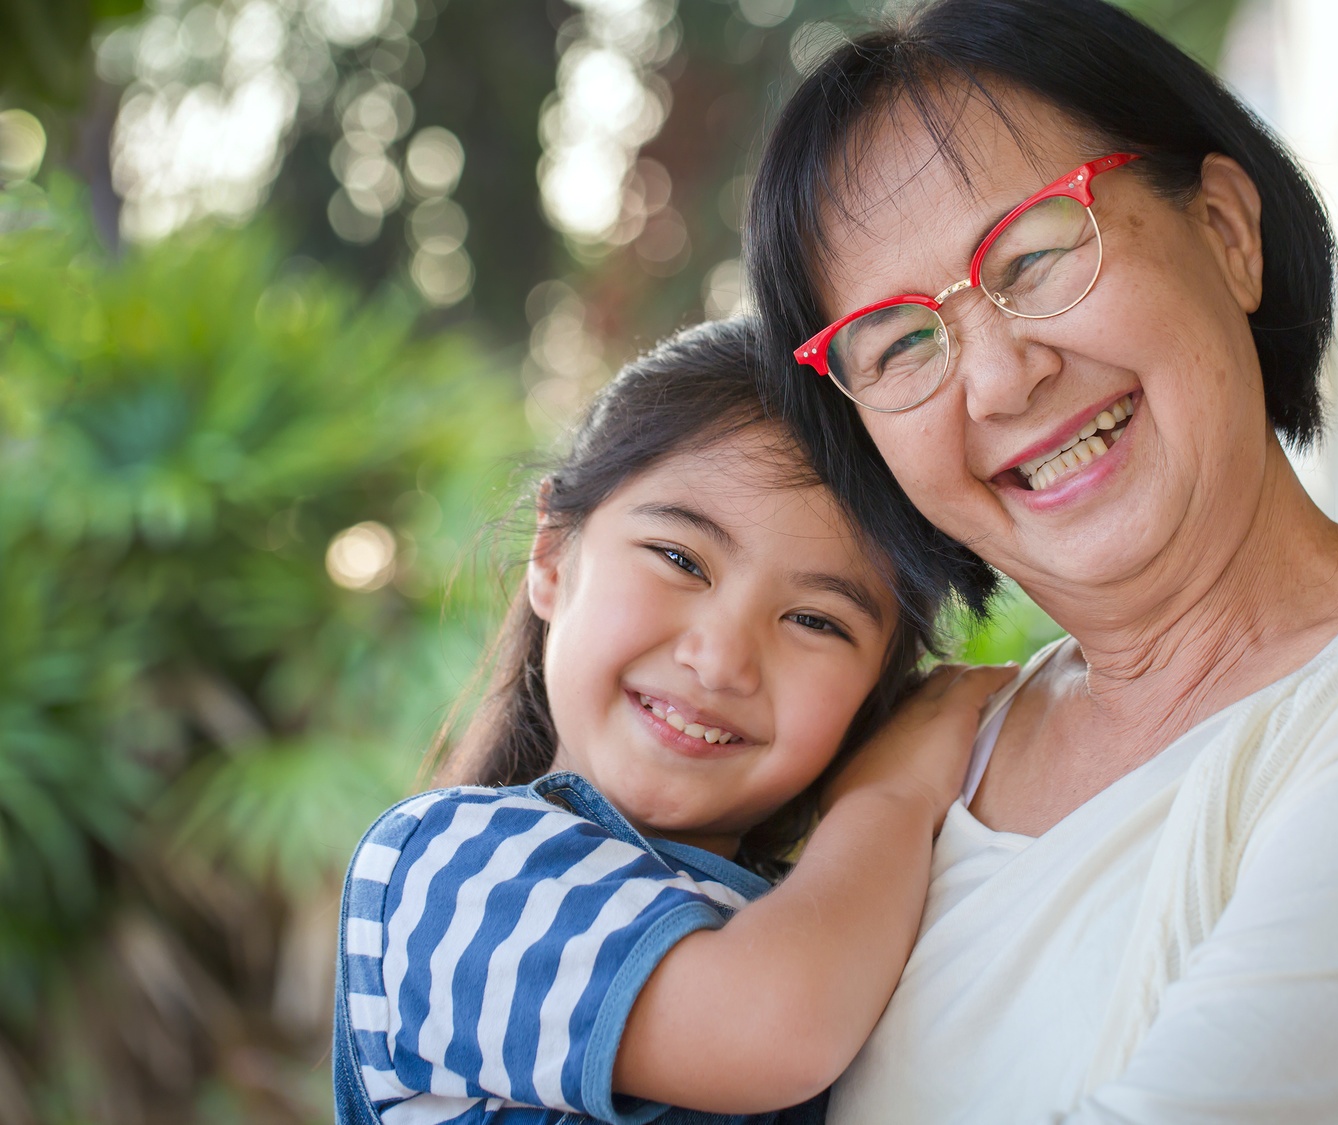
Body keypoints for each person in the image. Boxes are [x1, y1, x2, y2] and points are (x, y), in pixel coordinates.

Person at [740, 0, 1338, 1121]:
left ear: (1227, 235)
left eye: (1036, 254)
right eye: (899, 342)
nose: (998, 379)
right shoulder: (912, 771)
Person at [329, 318, 1014, 1125]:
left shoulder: (852, 910)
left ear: (876, 700)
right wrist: (894, 793)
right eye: (681, 558)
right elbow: (771, 1029)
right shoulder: (448, 871)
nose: (723, 659)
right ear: (552, 554)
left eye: (817, 621)